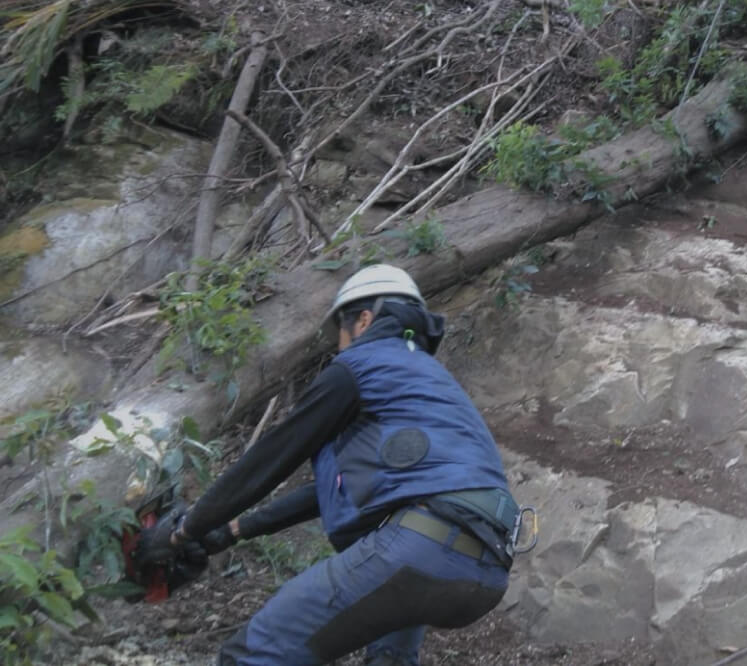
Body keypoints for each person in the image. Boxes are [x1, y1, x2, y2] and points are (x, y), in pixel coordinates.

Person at [135, 264, 520, 666]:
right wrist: (232, 530)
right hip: (485, 573)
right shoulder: (430, 386)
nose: (338, 349)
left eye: (339, 334)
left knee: (254, 653)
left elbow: (270, 459)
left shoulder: (359, 366)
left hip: (421, 547)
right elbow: (326, 490)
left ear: (365, 320)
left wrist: (181, 532)